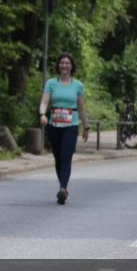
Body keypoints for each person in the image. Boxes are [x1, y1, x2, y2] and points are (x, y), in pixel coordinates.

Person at [38, 53, 90, 205]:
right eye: (62, 63)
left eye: (67, 63)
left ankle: (62, 188)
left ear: (72, 66)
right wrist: (42, 114)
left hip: (71, 125)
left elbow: (81, 108)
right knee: (58, 158)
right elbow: (44, 101)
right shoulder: (51, 83)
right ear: (58, 66)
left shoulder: (78, 85)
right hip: (54, 125)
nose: (64, 66)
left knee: (66, 157)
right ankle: (64, 188)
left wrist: (86, 127)